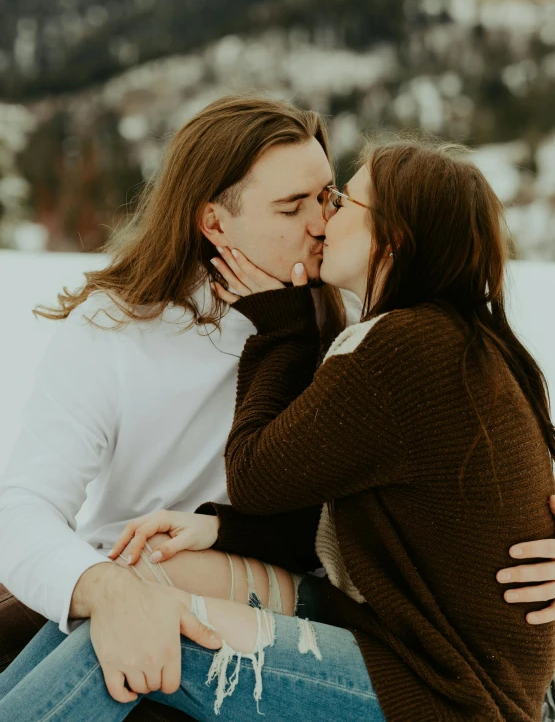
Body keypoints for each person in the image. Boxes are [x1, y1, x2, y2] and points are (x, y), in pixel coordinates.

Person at [1, 134, 554, 722]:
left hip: (439, 680)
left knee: (134, 636)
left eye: (335, 201)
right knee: (131, 592)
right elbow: (337, 516)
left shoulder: (397, 343)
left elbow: (260, 479)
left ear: (391, 241)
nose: (321, 222)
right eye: (298, 207)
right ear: (214, 223)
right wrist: (214, 534)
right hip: (385, 624)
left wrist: (280, 330)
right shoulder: (431, 336)